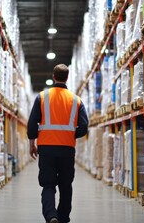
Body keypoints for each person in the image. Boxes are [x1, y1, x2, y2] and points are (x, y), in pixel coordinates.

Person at [27, 64, 89, 223]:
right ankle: (63, 218)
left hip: (46, 149)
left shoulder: (42, 97)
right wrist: (70, 135)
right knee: (66, 185)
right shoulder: (76, 100)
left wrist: (32, 143)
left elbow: (33, 122)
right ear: (67, 78)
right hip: (67, 149)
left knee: (48, 185)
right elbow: (83, 127)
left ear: (53, 76)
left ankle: (51, 216)